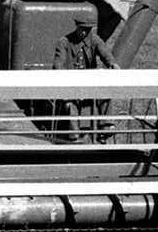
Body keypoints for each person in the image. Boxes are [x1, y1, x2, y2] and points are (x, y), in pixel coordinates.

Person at [47, 12, 115, 140]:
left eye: (87, 30)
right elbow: (58, 67)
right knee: (70, 104)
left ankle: (106, 126)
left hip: (88, 85)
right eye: (82, 29)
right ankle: (74, 136)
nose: (84, 32)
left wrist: (112, 64)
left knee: (105, 95)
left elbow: (106, 55)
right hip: (70, 86)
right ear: (76, 26)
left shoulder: (95, 40)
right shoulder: (64, 42)